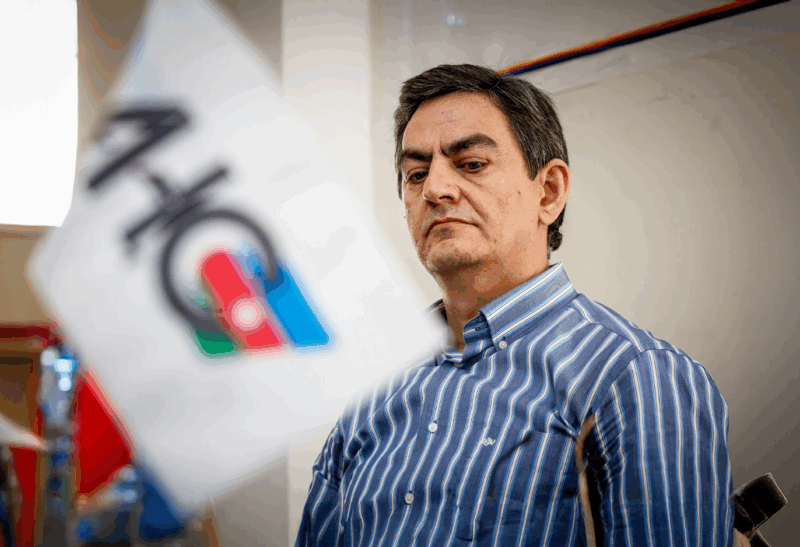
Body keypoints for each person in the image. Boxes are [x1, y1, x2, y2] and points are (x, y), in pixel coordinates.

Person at [295, 64, 732, 546]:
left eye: (471, 164)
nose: (434, 189)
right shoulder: (373, 387)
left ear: (549, 192)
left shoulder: (634, 378)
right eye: (416, 174)